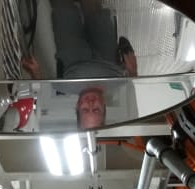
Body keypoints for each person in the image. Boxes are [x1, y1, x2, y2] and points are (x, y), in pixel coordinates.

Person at [21, 0, 138, 130]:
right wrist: (133, 71)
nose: (91, 103)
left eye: (86, 109)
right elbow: (133, 81)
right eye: (96, 109)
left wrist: (35, 72)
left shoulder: (63, 86)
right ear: (104, 106)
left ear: (77, 106)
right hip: (107, 58)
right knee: (94, 10)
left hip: (73, 58)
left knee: (63, 9)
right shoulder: (118, 82)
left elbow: (42, 84)